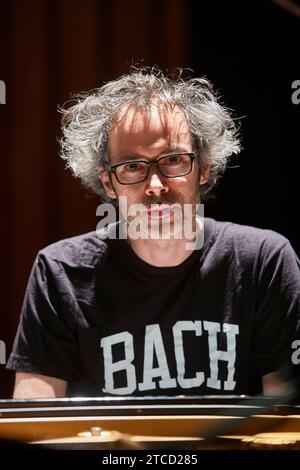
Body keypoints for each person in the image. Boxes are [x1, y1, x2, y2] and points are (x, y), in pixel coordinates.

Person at [7, 68, 300, 399]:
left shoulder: (265, 261)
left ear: (204, 168)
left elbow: (287, 420)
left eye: (173, 160)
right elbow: (37, 420)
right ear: (107, 181)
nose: (155, 185)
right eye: (133, 167)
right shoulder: (59, 271)